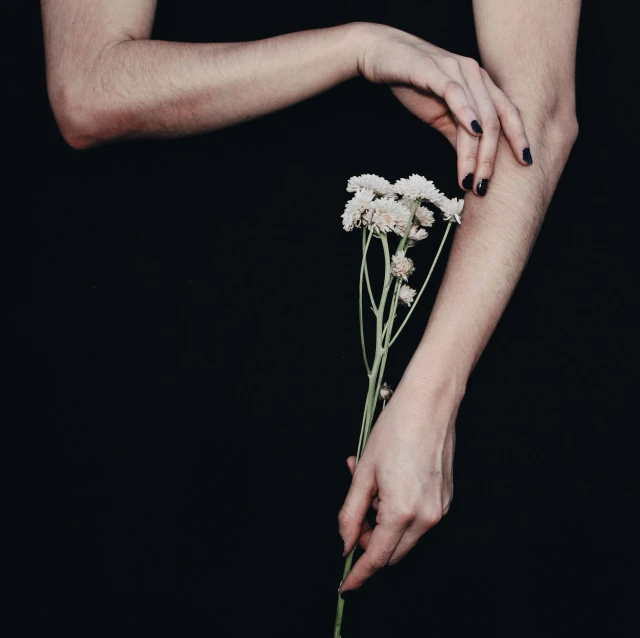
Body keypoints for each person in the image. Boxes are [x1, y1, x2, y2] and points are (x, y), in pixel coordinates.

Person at [40, 0, 580, 598]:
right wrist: (358, 49)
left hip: (434, 360)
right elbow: (87, 89)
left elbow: (540, 115)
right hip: (165, 368)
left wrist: (431, 397)